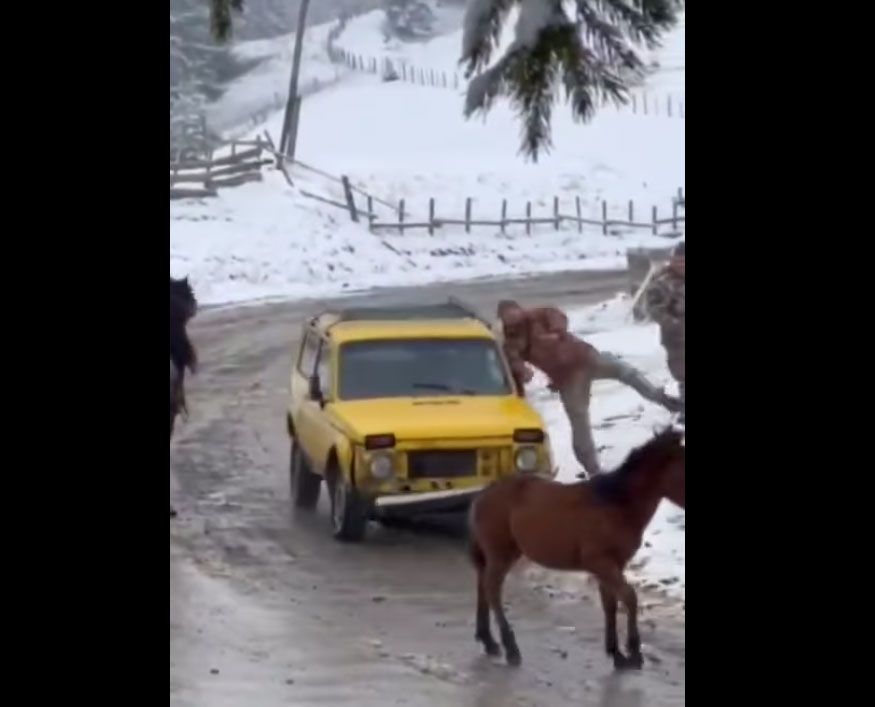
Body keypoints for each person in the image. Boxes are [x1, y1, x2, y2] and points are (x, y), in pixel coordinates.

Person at [496, 300, 682, 478]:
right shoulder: (513, 341)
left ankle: (664, 399)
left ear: (519, 309)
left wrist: (556, 327)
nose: (512, 318)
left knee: (627, 372)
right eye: (507, 316)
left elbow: (556, 314)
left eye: (513, 313)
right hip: (567, 377)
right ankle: (592, 468)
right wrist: (523, 371)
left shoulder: (537, 315)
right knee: (579, 421)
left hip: (587, 357)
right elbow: (514, 362)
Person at [644, 241, 685, 423]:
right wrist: (675, 324)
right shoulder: (661, 282)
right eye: (678, 261)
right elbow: (655, 310)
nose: (681, 266)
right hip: (677, 339)